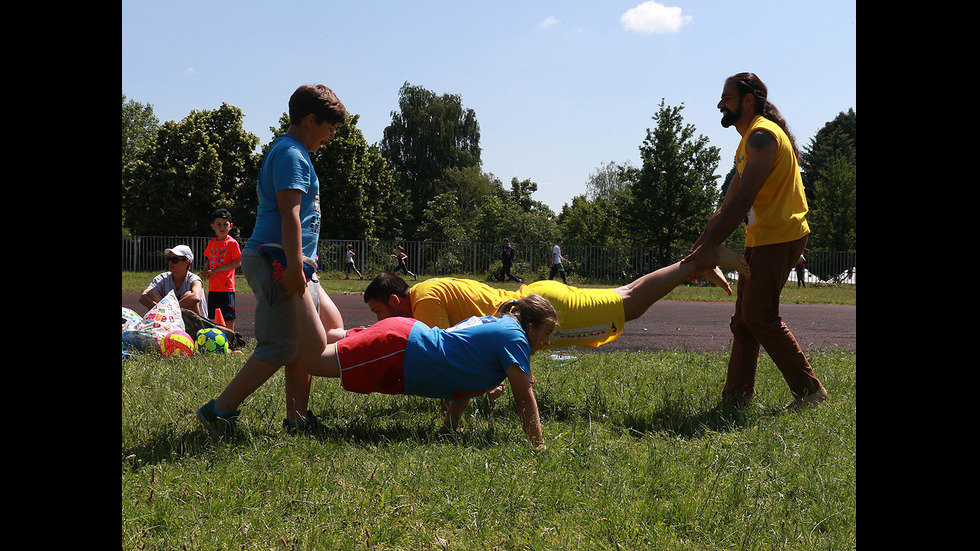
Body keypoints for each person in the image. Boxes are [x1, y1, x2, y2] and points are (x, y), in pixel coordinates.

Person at [197, 84, 348, 437]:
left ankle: (297, 419)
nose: (329, 138)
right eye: (329, 130)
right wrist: (295, 267)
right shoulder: (291, 154)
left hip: (294, 260)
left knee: (306, 339)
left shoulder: (294, 152)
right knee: (280, 344)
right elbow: (289, 213)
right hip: (277, 259)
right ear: (311, 120)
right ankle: (219, 410)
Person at [684, 72, 827, 410]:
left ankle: (810, 391)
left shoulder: (762, 136)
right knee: (743, 320)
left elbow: (742, 200)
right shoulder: (749, 139)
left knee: (759, 315)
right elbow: (724, 208)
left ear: (748, 100)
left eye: (727, 98)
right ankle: (735, 400)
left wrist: (707, 251)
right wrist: (697, 253)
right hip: (763, 237)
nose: (720, 104)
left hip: (780, 236)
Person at [293, 287, 557, 450]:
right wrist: (539, 444)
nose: (546, 342)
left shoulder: (499, 323)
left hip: (403, 336)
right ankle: (300, 286)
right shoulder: (515, 337)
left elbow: (463, 376)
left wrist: (450, 426)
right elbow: (523, 396)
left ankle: (311, 280)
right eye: (546, 332)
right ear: (530, 326)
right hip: (398, 350)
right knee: (314, 360)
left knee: (330, 336)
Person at [363, 244, 749, 350]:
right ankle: (692, 266)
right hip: (538, 298)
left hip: (540, 310)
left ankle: (701, 258)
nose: (383, 322)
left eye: (380, 313)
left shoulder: (425, 301)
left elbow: (446, 353)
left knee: (630, 306)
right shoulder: (427, 290)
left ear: (395, 302)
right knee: (626, 294)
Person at [200, 208, 242, 330]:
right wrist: (205, 269)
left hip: (226, 286)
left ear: (231, 226)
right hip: (213, 286)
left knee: (228, 316)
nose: (222, 227)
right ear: (212, 226)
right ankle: (218, 341)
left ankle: (230, 341)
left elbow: (237, 262)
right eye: (218, 224)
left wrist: (217, 270)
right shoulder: (212, 242)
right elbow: (209, 259)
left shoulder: (232, 243)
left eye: (225, 224)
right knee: (214, 316)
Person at [139, 244, 208, 317]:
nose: (170, 263)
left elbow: (195, 297)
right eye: (169, 259)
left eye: (175, 260)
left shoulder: (194, 279)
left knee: (188, 295)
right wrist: (159, 308)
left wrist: (172, 310)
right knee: (152, 292)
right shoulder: (162, 277)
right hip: (169, 318)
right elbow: (143, 296)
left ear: (186, 262)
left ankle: (192, 328)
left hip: (194, 323)